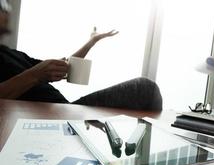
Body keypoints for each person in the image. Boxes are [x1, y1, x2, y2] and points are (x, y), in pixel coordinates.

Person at [0, 0, 162, 111]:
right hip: (52, 118)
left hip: (65, 110)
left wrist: (92, 41)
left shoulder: (10, 53)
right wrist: (35, 75)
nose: (7, 10)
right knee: (145, 89)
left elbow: (64, 67)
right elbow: (37, 74)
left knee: (147, 91)